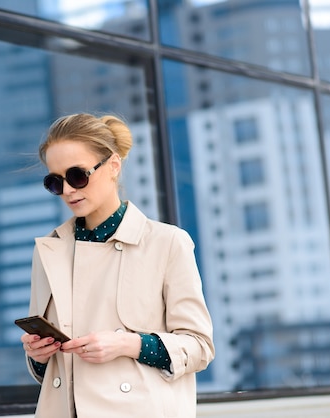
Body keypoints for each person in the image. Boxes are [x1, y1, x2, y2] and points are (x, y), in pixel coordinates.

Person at [20, 113, 214, 418]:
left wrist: (127, 344)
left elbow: (199, 347)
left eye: (78, 175)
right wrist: (38, 355)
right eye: (55, 182)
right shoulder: (48, 251)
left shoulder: (167, 242)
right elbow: (48, 375)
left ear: (113, 165)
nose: (68, 190)